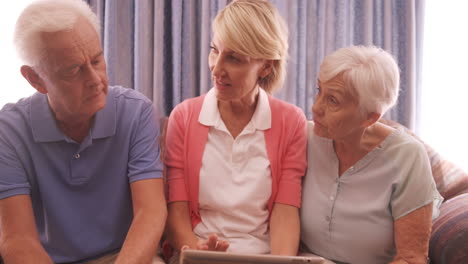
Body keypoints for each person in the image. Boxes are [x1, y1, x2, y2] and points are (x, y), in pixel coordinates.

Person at [0, 0, 167, 263]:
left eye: (97, 60)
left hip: (124, 257)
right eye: (74, 70)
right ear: (36, 79)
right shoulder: (8, 131)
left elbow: (151, 212)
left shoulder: (136, 112)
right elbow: (18, 240)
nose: (95, 79)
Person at [163, 0, 307, 262]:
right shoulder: (184, 117)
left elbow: (286, 213)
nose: (216, 69)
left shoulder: (290, 122)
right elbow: (177, 213)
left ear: (265, 66)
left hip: (263, 257)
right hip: (195, 253)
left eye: (234, 58)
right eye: (214, 51)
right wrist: (197, 251)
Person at [300, 45, 443, 264]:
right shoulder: (305, 137)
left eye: (333, 100)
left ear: (369, 118)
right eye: (319, 91)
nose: (316, 108)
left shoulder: (407, 157)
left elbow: (411, 258)